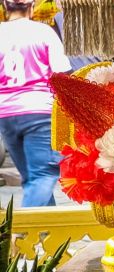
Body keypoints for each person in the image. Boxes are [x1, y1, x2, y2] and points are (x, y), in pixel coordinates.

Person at [0, 0, 71, 206]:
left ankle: (49, 233)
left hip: (5, 114)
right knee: (42, 177)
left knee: (32, 180)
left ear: (5, 6)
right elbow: (62, 72)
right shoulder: (43, 32)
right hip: (38, 111)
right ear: (32, 7)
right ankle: (22, 235)